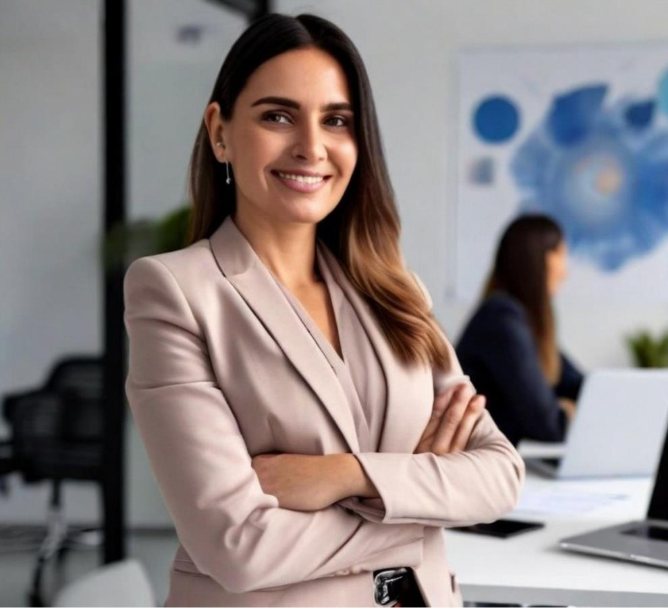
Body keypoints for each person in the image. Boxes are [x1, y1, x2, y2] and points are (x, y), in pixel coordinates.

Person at [123, 14, 523, 607]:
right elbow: (238, 546)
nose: (312, 147)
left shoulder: (396, 293)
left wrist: (344, 476)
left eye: (336, 120)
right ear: (220, 132)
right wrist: (422, 498)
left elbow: (500, 477)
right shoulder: (175, 290)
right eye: (277, 116)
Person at [456, 215, 585, 446]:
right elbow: (548, 425)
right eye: (562, 255)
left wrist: (575, 405)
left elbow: (578, 385)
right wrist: (567, 410)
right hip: (481, 464)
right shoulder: (501, 318)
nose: (565, 272)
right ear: (541, 258)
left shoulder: (523, 323)